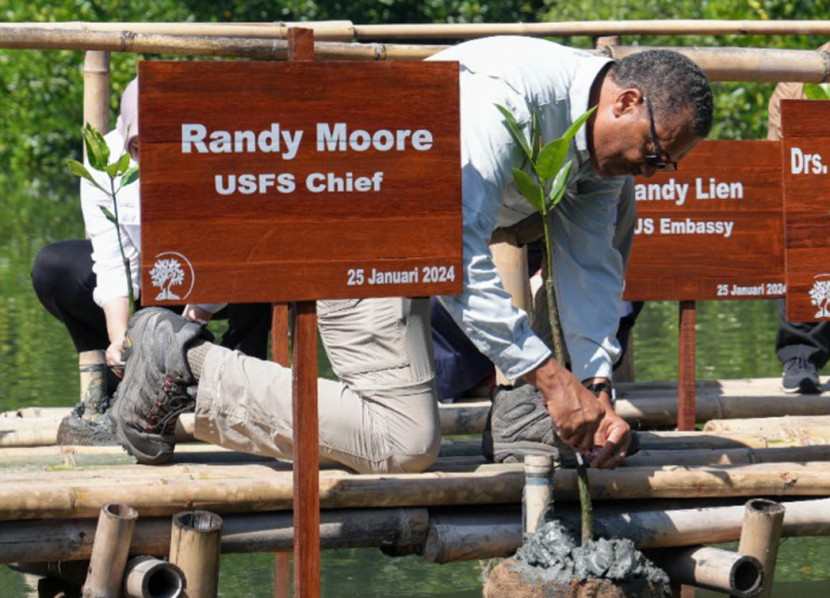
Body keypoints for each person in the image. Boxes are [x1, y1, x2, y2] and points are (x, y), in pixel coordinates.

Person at [108, 37, 713, 473]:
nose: (653, 170)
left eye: (666, 163)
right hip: (361, 228)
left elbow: (590, 264)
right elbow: (453, 247)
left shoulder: (601, 135)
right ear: (626, 101)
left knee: (618, 204)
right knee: (402, 443)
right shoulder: (502, 100)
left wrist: (594, 383)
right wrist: (553, 380)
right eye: (656, 154)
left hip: (421, 243)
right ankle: (186, 365)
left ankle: (521, 415)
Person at [31, 78, 271, 439]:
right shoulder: (105, 160)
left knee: (268, 263)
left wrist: (197, 317)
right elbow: (112, 259)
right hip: (150, 283)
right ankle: (120, 383)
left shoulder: (219, 151)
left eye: (158, 145)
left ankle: (240, 386)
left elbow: (231, 245)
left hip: (217, 280)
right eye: (138, 146)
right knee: (54, 265)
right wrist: (121, 339)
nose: (146, 156)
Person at [767, 42, 830, 395]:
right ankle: (801, 354)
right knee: (800, 225)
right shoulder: (798, 75)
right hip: (815, 190)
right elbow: (780, 151)